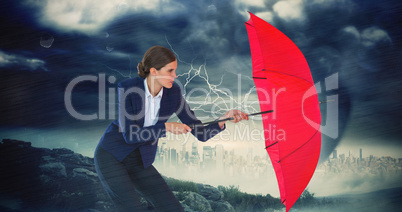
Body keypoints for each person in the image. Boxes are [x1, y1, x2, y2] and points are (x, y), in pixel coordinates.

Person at [94, 46, 248, 211]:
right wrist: (166, 127)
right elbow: (130, 136)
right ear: (154, 71)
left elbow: (200, 132)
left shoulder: (173, 93)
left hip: (140, 160)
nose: (175, 76)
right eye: (170, 71)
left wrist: (223, 119)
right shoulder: (127, 89)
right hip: (112, 156)